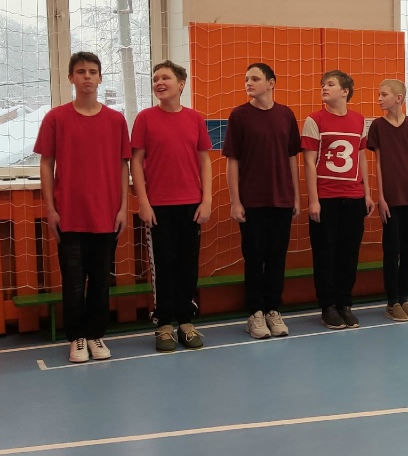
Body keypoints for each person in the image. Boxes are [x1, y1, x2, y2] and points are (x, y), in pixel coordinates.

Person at [35, 52, 131, 363]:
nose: (86, 76)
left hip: (106, 216)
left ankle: (95, 335)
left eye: (92, 71)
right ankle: (76, 337)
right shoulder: (55, 118)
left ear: (100, 78)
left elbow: (123, 165)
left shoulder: (116, 120)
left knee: (101, 281)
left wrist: (122, 208)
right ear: (71, 78)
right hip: (69, 215)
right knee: (73, 282)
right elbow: (46, 163)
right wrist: (51, 209)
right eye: (80, 71)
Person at [131, 60, 213, 353]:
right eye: (155, 79)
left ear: (181, 84)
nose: (159, 82)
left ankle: (186, 323)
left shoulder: (195, 119)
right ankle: (164, 325)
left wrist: (207, 199)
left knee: (187, 266)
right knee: (163, 267)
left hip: (191, 205)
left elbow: (204, 160)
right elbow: (136, 162)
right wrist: (143, 202)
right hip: (158, 208)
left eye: (165, 77)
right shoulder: (145, 119)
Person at [223, 63, 301, 340]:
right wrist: (235, 201)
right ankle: (255, 313)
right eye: (246, 79)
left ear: (271, 83)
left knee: (277, 258)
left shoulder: (286, 115)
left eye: (255, 78)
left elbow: (292, 158)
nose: (248, 83)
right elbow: (232, 161)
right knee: (254, 259)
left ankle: (273, 310)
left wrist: (295, 195)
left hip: (282, 201)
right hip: (252, 202)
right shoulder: (239, 116)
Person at [303, 70, 373, 329]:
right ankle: (328, 305)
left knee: (349, 254)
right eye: (323, 84)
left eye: (330, 84)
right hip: (326, 199)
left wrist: (367, 193)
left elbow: (361, 157)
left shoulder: (359, 120)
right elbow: (309, 162)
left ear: (345, 91)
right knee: (325, 254)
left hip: (353, 198)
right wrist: (314, 200)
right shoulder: (314, 120)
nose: (324, 87)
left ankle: (345, 303)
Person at [368, 79, 408, 321]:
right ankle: (392, 302)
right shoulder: (377, 126)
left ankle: (404, 299)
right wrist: (381, 197)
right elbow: (378, 163)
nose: (379, 98)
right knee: (392, 251)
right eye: (379, 94)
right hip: (391, 198)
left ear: (399, 98)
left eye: (384, 94)